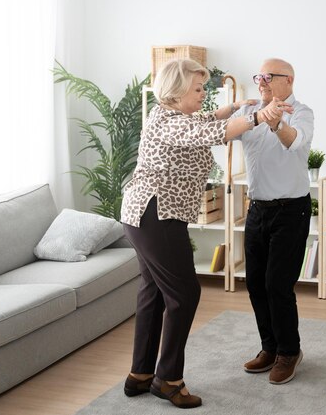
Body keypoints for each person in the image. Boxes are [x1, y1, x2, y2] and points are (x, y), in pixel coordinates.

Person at [120, 58, 278, 408]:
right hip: (156, 215)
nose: (203, 95)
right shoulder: (171, 123)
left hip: (142, 214)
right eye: (198, 89)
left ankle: (141, 374)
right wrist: (256, 117)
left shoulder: (170, 117)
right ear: (176, 92)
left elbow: (205, 120)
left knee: (154, 293)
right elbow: (208, 133)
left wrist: (234, 108)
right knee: (185, 293)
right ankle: (168, 380)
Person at [233, 58, 314, 385]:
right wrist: (251, 114)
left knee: (277, 285)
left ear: (289, 81)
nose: (262, 81)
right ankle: (270, 347)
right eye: (259, 76)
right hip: (258, 211)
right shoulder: (249, 112)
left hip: (291, 210)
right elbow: (223, 134)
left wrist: (275, 122)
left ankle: (289, 352)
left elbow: (295, 142)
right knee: (254, 283)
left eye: (269, 76)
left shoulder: (302, 112)